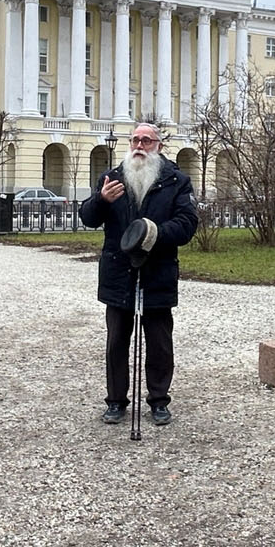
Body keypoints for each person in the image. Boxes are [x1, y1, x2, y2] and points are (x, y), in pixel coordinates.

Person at [79, 123, 197, 427]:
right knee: (117, 340)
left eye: (146, 140)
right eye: (135, 139)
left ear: (158, 145)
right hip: (119, 271)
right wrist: (100, 200)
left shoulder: (176, 180)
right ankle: (116, 401)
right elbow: (88, 218)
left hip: (158, 270)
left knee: (159, 341)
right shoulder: (112, 178)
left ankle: (159, 400)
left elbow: (187, 224)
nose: (139, 145)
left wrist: (153, 232)